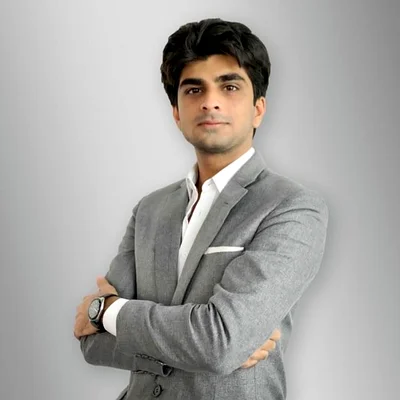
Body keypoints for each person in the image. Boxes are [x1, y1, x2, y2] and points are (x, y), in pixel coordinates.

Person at [74, 17, 329, 400]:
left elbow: (219, 342)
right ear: (177, 112)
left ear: (258, 109)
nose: (210, 101)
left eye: (230, 86)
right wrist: (203, 349)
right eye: (194, 89)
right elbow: (93, 345)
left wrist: (106, 312)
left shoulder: (293, 208)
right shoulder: (149, 210)